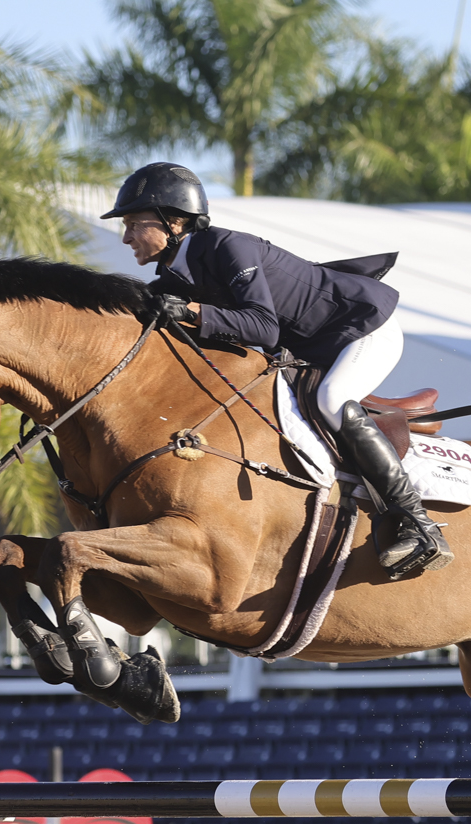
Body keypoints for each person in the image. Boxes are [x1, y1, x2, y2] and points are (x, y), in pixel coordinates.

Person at [101, 161, 452, 577]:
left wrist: (194, 312)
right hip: (317, 346)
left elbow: (263, 328)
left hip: (363, 328)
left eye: (133, 224)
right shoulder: (179, 275)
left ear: (172, 221)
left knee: (332, 399)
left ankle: (418, 522)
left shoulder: (229, 247)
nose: (126, 237)